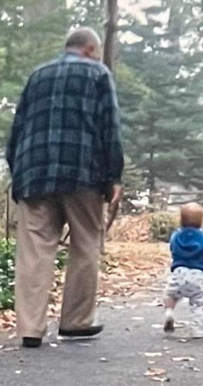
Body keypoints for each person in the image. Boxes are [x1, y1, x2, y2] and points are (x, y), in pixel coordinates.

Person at [6, 27, 124, 348]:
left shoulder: (37, 76)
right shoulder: (98, 74)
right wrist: (113, 176)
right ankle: (75, 321)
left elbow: (17, 130)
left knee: (34, 250)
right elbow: (109, 128)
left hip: (34, 174)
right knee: (86, 243)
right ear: (89, 50)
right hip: (82, 172)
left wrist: (18, 173)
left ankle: (30, 328)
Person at [164, 203, 203, 338]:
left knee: (170, 295)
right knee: (198, 302)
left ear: (181, 219)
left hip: (178, 273)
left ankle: (169, 313)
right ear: (201, 221)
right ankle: (196, 328)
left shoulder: (176, 236)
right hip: (197, 275)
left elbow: (172, 248)